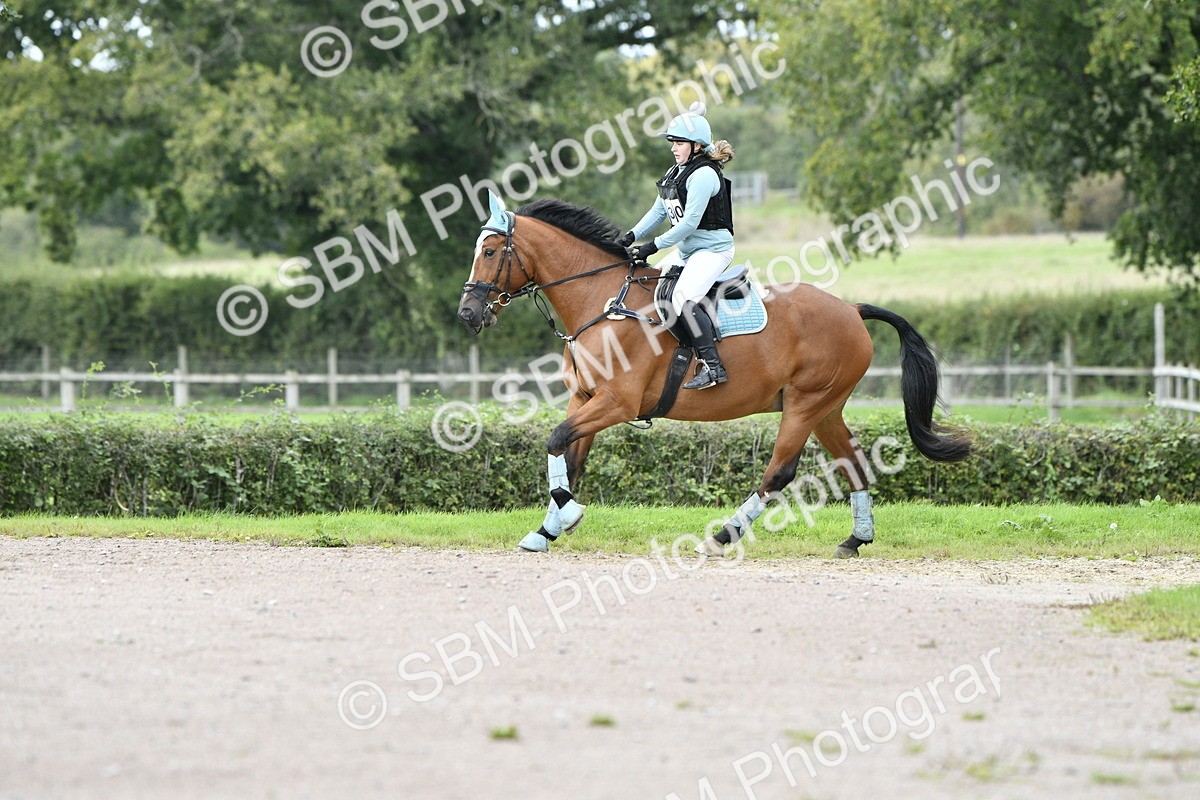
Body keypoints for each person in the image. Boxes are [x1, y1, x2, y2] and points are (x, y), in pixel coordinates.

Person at [618, 101, 736, 390]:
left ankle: (713, 366)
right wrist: (631, 236)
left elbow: (688, 225)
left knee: (683, 297)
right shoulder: (676, 172)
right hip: (687, 252)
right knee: (646, 286)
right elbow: (659, 211)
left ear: (696, 145)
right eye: (672, 142)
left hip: (713, 251)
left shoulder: (704, 175)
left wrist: (652, 246)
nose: (673, 147)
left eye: (679, 142)